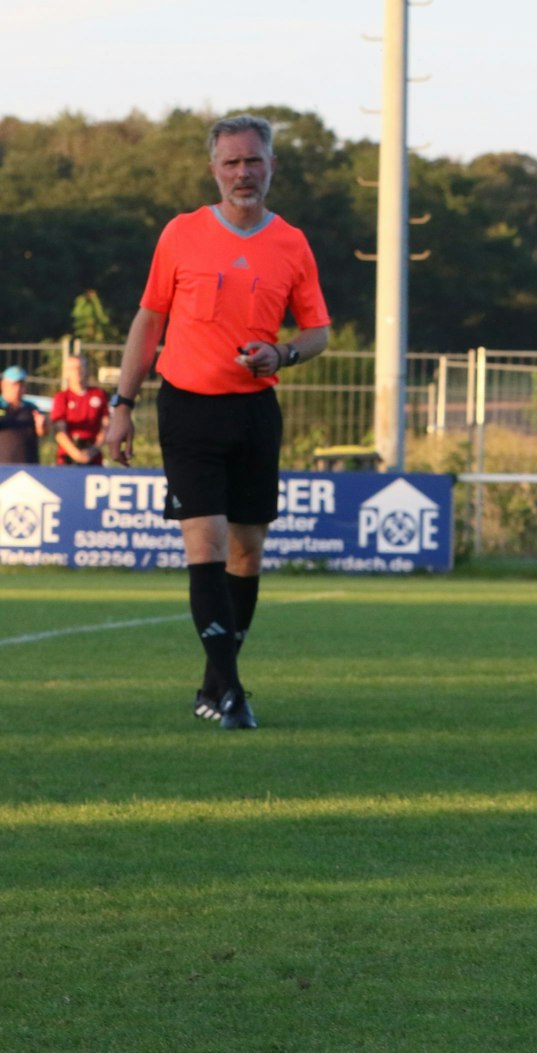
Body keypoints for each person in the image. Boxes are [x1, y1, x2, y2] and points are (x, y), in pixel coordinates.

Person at [102, 114, 332, 731]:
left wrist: (280, 354)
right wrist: (121, 408)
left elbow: (318, 333)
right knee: (202, 542)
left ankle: (213, 683)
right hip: (188, 406)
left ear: (271, 166)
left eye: (253, 161)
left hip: (255, 411)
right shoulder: (180, 234)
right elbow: (148, 323)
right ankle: (232, 692)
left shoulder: (292, 243)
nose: (242, 173)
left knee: (247, 553)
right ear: (213, 170)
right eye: (230, 163)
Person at [51, 354, 110, 466]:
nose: (77, 372)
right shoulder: (62, 397)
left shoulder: (99, 394)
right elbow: (59, 431)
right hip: (68, 456)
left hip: (93, 455)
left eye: (80, 367)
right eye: (72, 368)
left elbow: (106, 426)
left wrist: (93, 450)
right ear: (66, 372)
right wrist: (75, 454)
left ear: (86, 369)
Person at [0, 366, 45, 463]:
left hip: (28, 468)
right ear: (3, 385)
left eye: (21, 385)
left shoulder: (31, 408)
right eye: (14, 385)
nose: (18, 389)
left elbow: (43, 432)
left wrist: (41, 426)